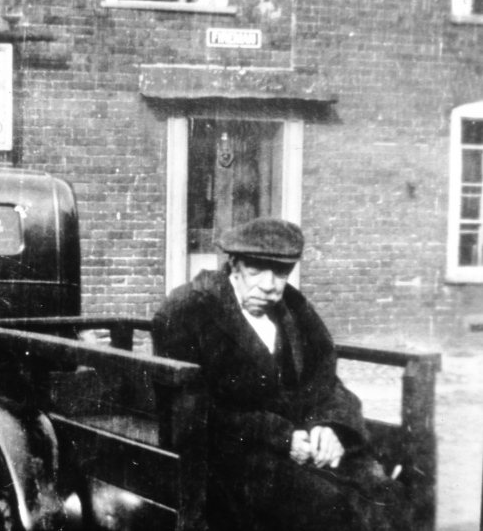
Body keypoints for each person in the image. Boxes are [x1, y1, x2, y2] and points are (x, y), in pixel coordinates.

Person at [152, 217, 410, 531]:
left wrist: (328, 426)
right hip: (228, 456)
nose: (270, 285)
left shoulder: (294, 308)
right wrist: (281, 437)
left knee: (385, 493)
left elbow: (325, 380)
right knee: (328, 504)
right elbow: (190, 411)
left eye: (281, 272)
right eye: (256, 269)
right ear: (234, 264)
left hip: (300, 445)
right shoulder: (187, 310)